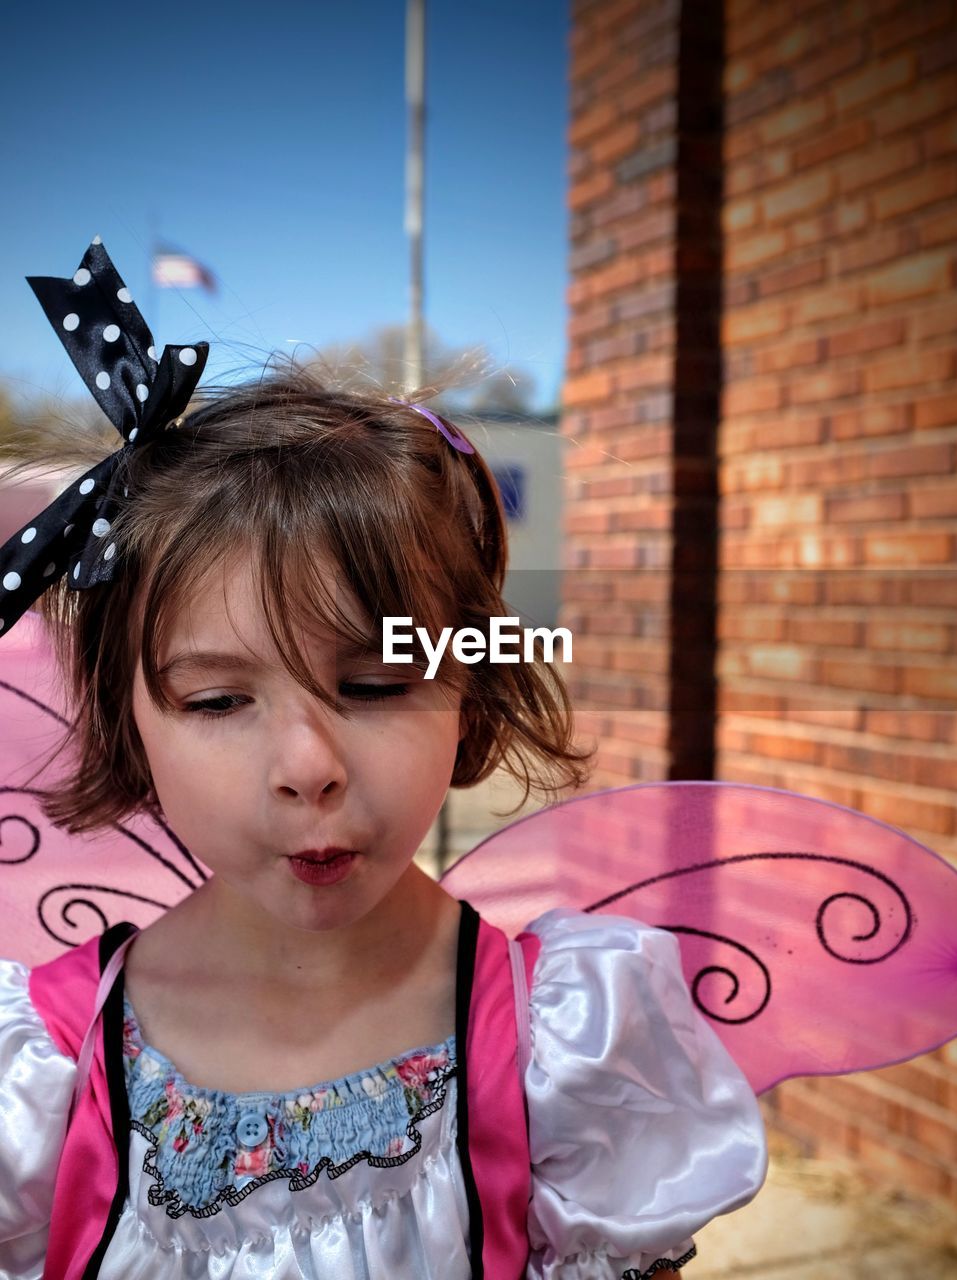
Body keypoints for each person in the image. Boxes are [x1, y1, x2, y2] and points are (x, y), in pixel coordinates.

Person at [0, 242, 767, 1279]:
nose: (307, 764)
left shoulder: (569, 1045)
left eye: (373, 683)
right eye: (219, 698)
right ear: (127, 718)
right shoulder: (43, 1065)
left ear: (469, 689)